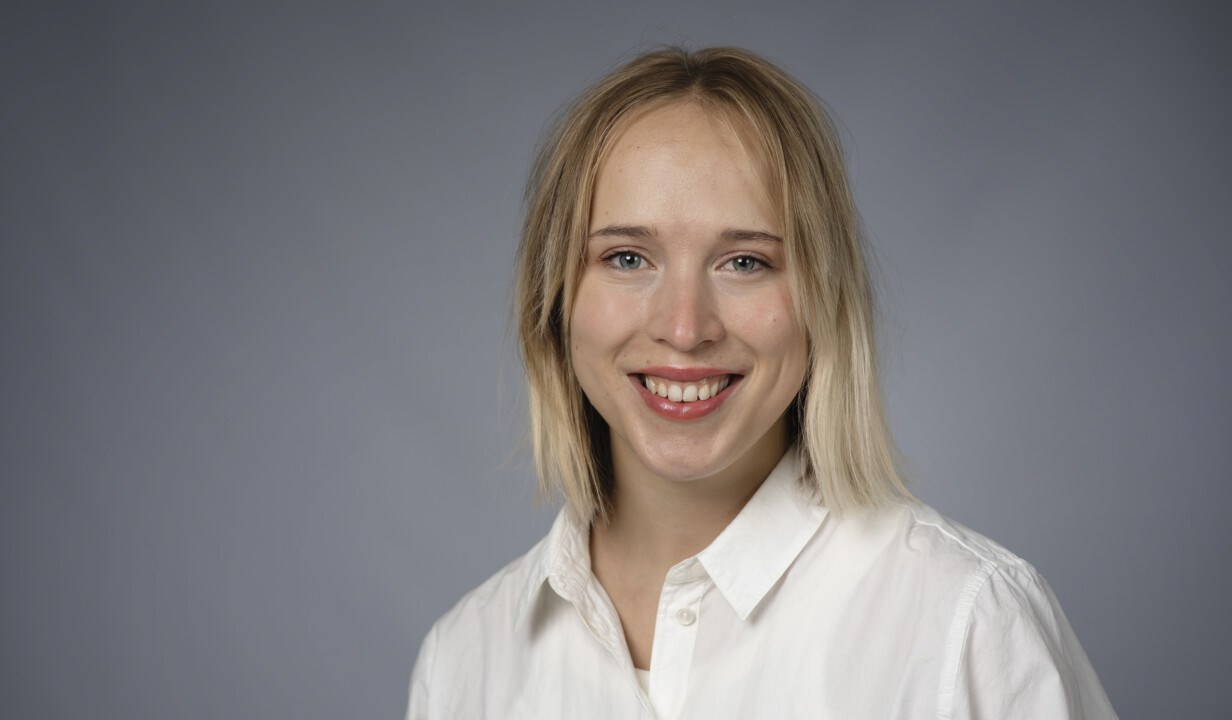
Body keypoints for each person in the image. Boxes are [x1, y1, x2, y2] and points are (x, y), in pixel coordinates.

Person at [405, 46, 1116, 719]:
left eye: (744, 262)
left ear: (822, 300)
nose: (685, 327)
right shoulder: (465, 660)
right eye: (627, 258)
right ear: (555, 299)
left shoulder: (966, 625)